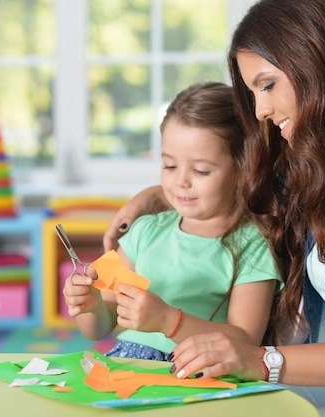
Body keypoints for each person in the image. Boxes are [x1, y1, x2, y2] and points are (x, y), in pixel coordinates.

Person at [104, 1, 325, 416]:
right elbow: (236, 185)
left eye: (267, 85)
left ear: (319, 62)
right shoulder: (322, 163)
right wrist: (155, 194)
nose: (261, 111)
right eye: (253, 92)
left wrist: (264, 361)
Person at [63, 81, 283, 361]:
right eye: (169, 165)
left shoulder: (251, 245)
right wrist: (90, 305)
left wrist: (169, 321)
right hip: (125, 369)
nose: (181, 181)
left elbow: (246, 340)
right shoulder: (144, 232)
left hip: (192, 375)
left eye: (201, 171)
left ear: (244, 168)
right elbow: (98, 328)